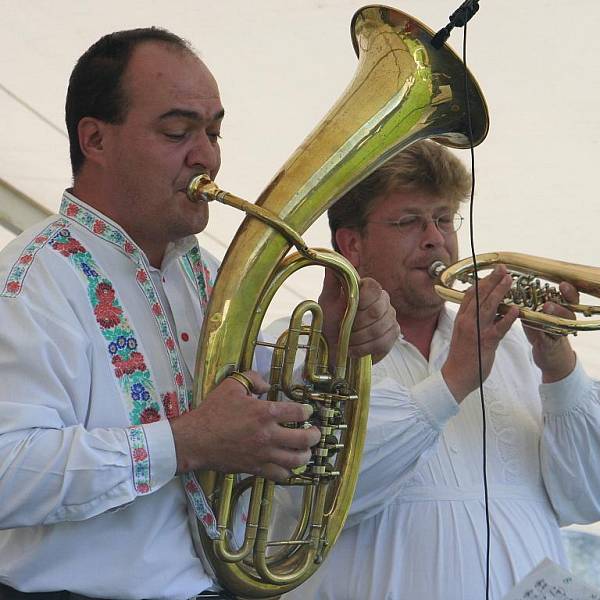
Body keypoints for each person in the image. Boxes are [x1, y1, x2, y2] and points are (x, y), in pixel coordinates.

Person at [0, 28, 397, 600]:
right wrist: (186, 443)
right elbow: (9, 469)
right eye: (177, 131)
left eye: (213, 132)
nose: (206, 155)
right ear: (96, 140)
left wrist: (333, 342)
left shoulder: (204, 273)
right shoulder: (32, 280)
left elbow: (252, 415)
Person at [278, 140, 600, 600]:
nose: (436, 238)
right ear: (351, 244)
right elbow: (323, 494)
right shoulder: (304, 342)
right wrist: (453, 380)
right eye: (409, 221)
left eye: (445, 219)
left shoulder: (512, 344)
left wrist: (560, 368)